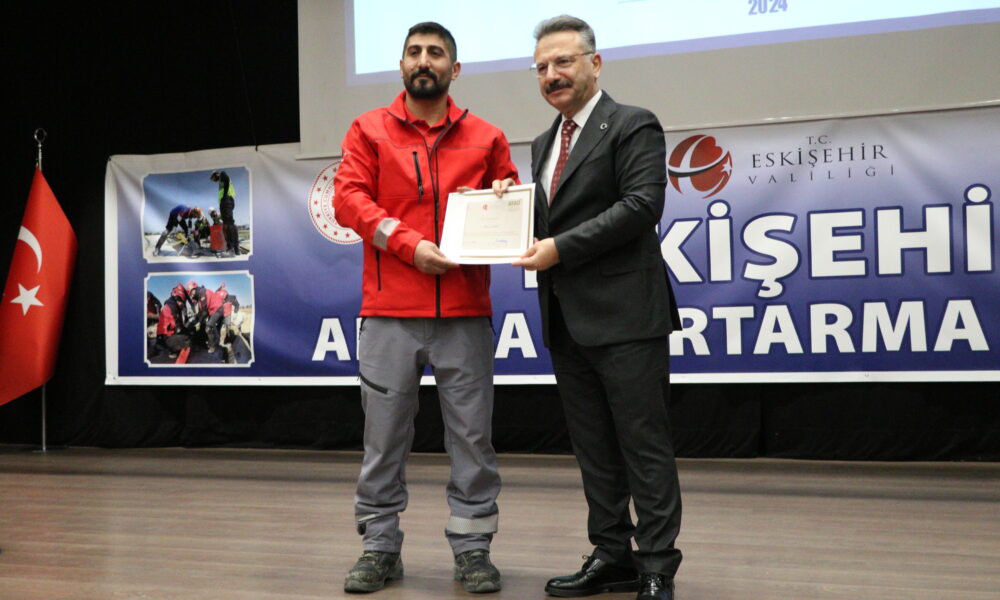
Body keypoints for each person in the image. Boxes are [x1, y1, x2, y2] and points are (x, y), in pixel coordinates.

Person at [332, 21, 519, 595]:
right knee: (383, 439)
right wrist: (407, 244)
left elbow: (512, 201)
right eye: (414, 51)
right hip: (389, 312)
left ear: (453, 69)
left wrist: (506, 198)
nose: (423, 60)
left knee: (473, 439)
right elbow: (348, 200)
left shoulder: (487, 137)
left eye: (435, 53)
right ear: (401, 65)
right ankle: (379, 547)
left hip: (465, 312)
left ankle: (472, 547)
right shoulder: (368, 129)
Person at [502, 15, 683, 600]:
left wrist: (557, 248)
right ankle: (612, 554)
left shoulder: (632, 124)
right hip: (566, 320)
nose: (551, 75)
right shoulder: (542, 144)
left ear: (595, 64)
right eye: (541, 67)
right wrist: (508, 205)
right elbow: (548, 221)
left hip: (627, 317)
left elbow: (641, 205)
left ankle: (656, 564)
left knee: (643, 447)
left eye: (563, 61)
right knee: (595, 452)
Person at [209, 170, 240, 256]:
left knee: (228, 225)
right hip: (226, 201)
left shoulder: (222, 174)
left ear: (216, 174)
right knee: (229, 224)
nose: (214, 180)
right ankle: (235, 249)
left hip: (226, 201)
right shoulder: (221, 180)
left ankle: (231, 249)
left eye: (213, 178)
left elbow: (226, 180)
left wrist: (224, 196)